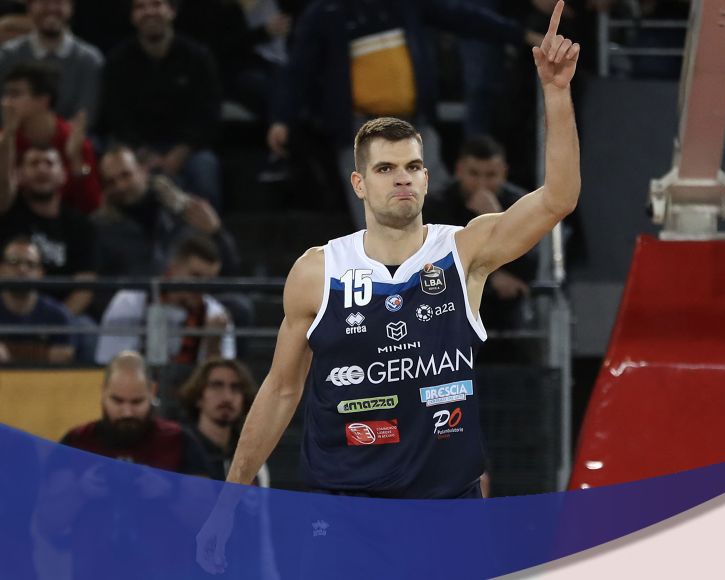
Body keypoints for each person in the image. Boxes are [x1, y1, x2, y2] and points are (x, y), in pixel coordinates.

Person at [197, 3, 578, 568]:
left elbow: (557, 199)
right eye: (385, 169)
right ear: (358, 183)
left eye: (413, 167)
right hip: (346, 513)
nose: (403, 178)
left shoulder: (464, 250)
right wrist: (227, 503)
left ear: (426, 175)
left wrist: (556, 93)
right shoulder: (318, 271)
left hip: (447, 511)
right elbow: (280, 391)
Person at [266, 0, 543, 228]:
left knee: (437, 213)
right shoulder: (326, 11)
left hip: (414, 126)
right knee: (375, 222)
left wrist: (521, 34)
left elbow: (463, 17)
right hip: (361, 132)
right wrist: (282, 118)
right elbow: (298, 71)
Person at [101, 0, 223, 210]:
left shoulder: (198, 57)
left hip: (188, 148)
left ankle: (207, 230)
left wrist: (180, 152)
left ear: (172, 11)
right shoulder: (118, 60)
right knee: (120, 173)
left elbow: (209, 113)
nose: (149, 12)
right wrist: (143, 153)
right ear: (132, 16)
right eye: (140, 7)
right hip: (136, 147)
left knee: (205, 173)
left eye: (156, 4)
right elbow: (116, 116)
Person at [425, 135, 539, 332]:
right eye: (474, 174)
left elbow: (529, 265)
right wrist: (491, 276)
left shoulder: (520, 204)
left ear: (503, 174)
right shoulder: (436, 205)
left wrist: (497, 218)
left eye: (491, 175)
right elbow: (436, 259)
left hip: (505, 307)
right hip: (449, 303)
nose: (482, 184)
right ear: (459, 170)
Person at [0, 144, 99, 361]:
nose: (42, 169)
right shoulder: (7, 216)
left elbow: (85, 285)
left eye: (49, 163)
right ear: (19, 174)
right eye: (34, 163)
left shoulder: (79, 225)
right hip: (7, 309)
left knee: (87, 329)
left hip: (60, 314)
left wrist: (55, 319)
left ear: (63, 174)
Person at [93, 145, 240, 278]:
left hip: (188, 295)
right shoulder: (101, 228)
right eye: (111, 182)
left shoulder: (186, 212)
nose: (120, 186)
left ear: (143, 171)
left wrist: (217, 233)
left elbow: (229, 270)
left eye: (126, 175)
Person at [61, 350, 211, 474]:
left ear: (152, 392)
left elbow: (206, 499)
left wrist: (167, 491)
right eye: (118, 401)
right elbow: (51, 497)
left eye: (137, 402)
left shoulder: (179, 441)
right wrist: (80, 490)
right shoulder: (76, 442)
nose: (127, 412)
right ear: (103, 392)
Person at [95, 234, 236, 365]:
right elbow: (109, 362)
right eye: (196, 276)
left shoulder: (216, 315)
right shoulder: (129, 302)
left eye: (209, 280)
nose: (201, 287)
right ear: (174, 266)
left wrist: (213, 345)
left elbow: (223, 378)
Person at [0, 61, 102, 213]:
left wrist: (76, 160)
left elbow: (90, 205)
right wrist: (8, 138)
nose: (5, 102)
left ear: (43, 100)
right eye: (6, 94)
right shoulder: (4, 139)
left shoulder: (73, 140)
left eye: (15, 94)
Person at [0, 0, 104, 126]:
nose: (51, 8)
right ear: (29, 7)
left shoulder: (89, 60)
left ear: (71, 8)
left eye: (58, 2)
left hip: (72, 137)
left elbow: (85, 116)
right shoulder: (7, 56)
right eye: (43, 2)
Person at [178, 357, 268, 485]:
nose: (227, 397)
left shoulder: (251, 455)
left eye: (235, 388)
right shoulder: (180, 448)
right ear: (198, 396)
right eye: (216, 386)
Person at [0, 235, 73, 363]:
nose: (22, 269)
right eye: (14, 262)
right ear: (1, 269)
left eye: (30, 264)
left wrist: (10, 354)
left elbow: (63, 355)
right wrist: (44, 354)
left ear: (40, 273)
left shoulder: (58, 315)